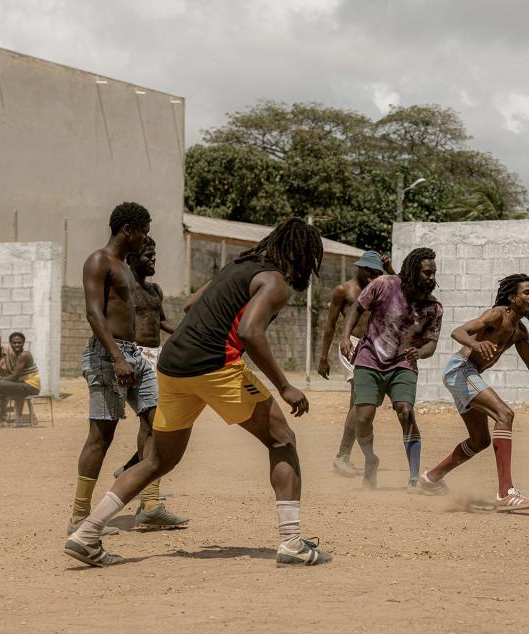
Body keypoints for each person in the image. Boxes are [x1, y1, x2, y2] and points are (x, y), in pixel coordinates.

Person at [64, 217, 331, 567]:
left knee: (159, 460)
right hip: (215, 366)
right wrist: (285, 386)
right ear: (302, 257)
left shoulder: (238, 266)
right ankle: (292, 542)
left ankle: (86, 534)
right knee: (282, 440)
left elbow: (192, 304)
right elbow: (251, 332)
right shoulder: (274, 282)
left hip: (172, 366)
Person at [66, 202, 188, 539]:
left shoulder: (123, 266)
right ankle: (79, 516)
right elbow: (95, 314)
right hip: (110, 357)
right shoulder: (99, 261)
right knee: (100, 437)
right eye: (144, 232)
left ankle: (149, 506)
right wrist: (117, 357)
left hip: (135, 355)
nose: (145, 239)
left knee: (158, 423)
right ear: (128, 230)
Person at [419, 274, 529, 511]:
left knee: (479, 441)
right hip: (460, 369)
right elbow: (459, 332)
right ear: (512, 297)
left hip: (467, 373)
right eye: (527, 293)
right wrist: (476, 344)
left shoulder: (520, 331)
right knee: (504, 414)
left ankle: (431, 478)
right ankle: (506, 493)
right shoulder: (497, 314)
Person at [339, 247, 442, 490]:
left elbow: (431, 345)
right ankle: (370, 460)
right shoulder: (383, 285)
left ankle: (414, 477)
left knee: (405, 411)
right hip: (369, 358)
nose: (432, 278)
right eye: (427, 273)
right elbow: (356, 308)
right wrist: (345, 337)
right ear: (413, 271)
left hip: (402, 363)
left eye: (434, 273)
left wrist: (421, 352)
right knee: (362, 418)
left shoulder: (433, 307)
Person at [316, 251, 394, 477]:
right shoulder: (343, 290)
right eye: (370, 271)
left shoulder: (380, 287)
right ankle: (342, 456)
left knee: (360, 403)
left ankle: (345, 457)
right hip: (350, 345)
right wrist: (323, 357)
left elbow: (403, 292)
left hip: (372, 347)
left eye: (377, 272)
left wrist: (390, 270)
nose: (373, 275)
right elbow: (331, 325)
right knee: (359, 400)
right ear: (360, 268)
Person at [113, 235, 177, 478]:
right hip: (135, 355)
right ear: (131, 258)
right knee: (152, 419)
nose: (153, 260)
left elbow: (161, 321)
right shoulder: (125, 288)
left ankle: (132, 469)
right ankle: (138, 473)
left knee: (153, 421)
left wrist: (188, 333)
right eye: (148, 256)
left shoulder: (154, 290)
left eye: (154, 256)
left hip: (156, 357)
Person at [0, 332, 41, 428]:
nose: (17, 345)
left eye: (19, 343)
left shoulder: (16, 354)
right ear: (10, 343)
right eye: (14, 343)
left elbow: (14, 376)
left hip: (24, 384)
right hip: (16, 382)